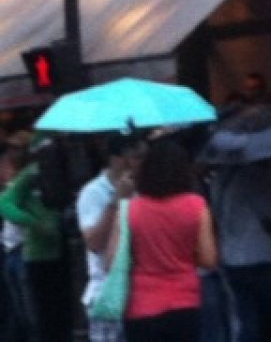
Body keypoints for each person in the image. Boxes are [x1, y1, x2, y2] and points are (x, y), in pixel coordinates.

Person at [106, 138, 218, 342]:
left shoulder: (132, 208)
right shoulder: (197, 206)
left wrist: (121, 201)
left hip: (141, 305)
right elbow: (209, 260)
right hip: (185, 302)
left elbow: (111, 261)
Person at [212, 161, 271, 342]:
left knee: (247, 321)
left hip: (231, 258)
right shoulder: (259, 175)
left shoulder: (219, 179)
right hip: (262, 255)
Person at [0, 140, 69, 342]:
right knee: (37, 317)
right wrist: (34, 223)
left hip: (60, 251)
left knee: (56, 312)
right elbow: (4, 204)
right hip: (35, 253)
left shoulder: (64, 172)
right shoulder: (32, 174)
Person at [78, 135, 146, 342]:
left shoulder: (145, 189)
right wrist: (118, 200)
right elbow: (94, 243)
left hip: (143, 291)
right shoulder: (93, 192)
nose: (142, 163)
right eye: (137, 157)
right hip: (108, 294)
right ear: (118, 160)